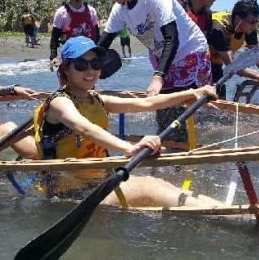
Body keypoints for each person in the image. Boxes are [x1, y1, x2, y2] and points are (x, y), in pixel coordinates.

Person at [34, 36, 221, 207]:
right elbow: (85, 128)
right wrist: (128, 148)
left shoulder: (96, 99)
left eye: (95, 64)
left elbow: (146, 102)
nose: (90, 70)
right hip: (69, 193)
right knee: (149, 186)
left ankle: (226, 211)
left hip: (99, 180)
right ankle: (226, 213)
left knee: (161, 185)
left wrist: (190, 93)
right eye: (81, 65)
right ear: (66, 69)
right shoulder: (60, 102)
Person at [94, 0, 211, 141]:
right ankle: (170, 148)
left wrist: (158, 77)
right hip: (162, 55)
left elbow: (172, 38)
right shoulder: (120, 9)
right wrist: (84, 74)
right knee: (163, 109)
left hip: (189, 51)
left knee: (179, 105)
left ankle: (185, 153)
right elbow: (102, 46)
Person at [208, 0, 259, 99]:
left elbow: (257, 55)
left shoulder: (249, 27)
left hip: (216, 64)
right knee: (209, 102)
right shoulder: (219, 28)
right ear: (239, 19)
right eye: (252, 22)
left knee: (220, 103)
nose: (255, 25)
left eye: (257, 22)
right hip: (199, 65)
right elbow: (233, 66)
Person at [49, 0, 100, 70]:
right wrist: (53, 57)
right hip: (70, 57)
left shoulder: (91, 11)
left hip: (89, 55)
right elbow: (54, 37)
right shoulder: (61, 12)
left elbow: (97, 34)